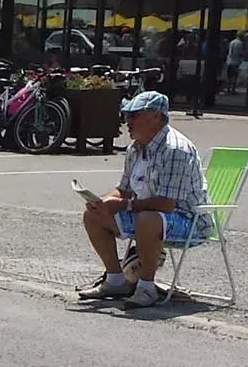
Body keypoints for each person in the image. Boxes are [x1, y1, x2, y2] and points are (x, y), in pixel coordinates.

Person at [78, 90, 208, 307]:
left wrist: (124, 205)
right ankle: (115, 280)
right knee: (93, 215)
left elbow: (167, 204)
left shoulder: (176, 149)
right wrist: (101, 202)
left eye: (135, 114)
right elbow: (125, 190)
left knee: (147, 219)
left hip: (189, 221)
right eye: (127, 114)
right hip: (147, 214)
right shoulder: (135, 147)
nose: (127, 120)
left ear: (156, 117)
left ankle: (146, 288)